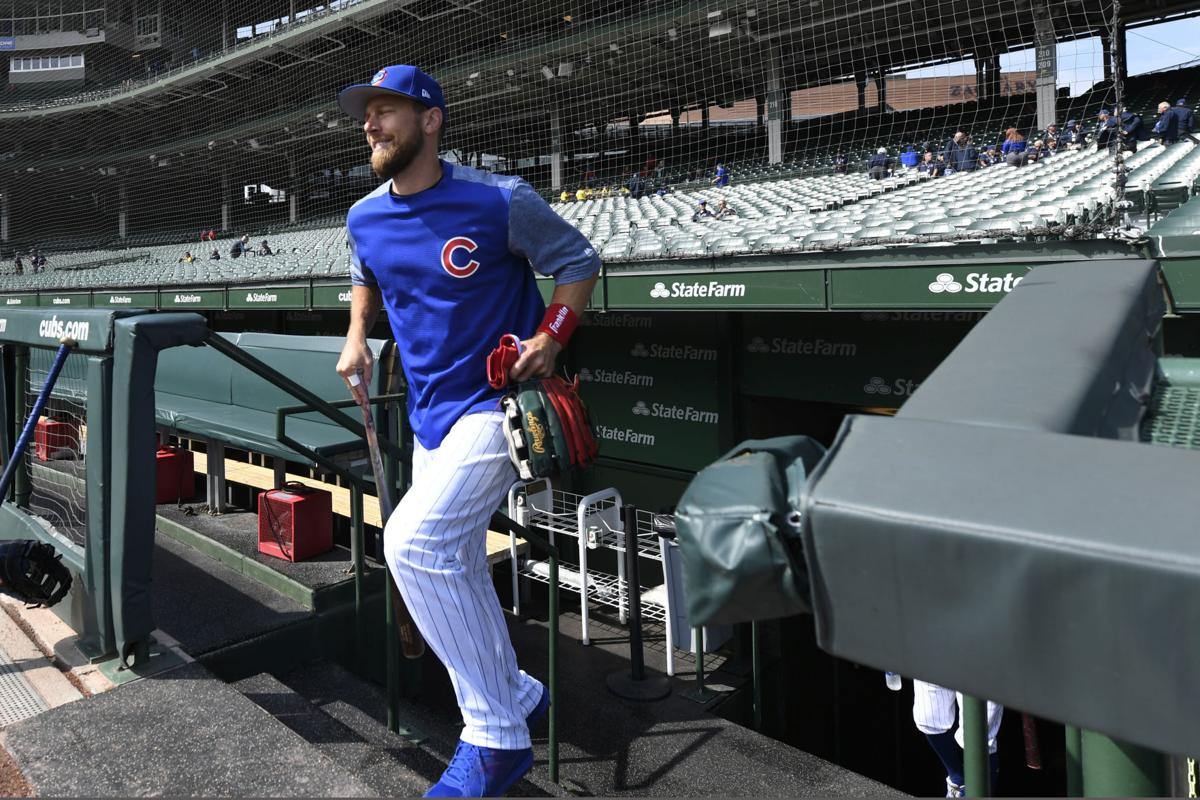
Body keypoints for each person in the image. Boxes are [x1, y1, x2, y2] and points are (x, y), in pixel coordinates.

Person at [334, 64, 599, 798]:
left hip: (499, 405)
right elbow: (367, 272)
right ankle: (515, 693)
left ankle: (495, 738)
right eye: (367, 113)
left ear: (431, 120)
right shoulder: (364, 215)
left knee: (413, 545)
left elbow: (579, 262)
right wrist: (357, 335)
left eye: (387, 110)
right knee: (451, 559)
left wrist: (551, 335)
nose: (371, 123)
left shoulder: (497, 199)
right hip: (429, 418)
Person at [913, 680, 1003, 797]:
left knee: (979, 735)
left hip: (983, 666)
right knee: (928, 718)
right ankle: (957, 780)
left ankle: (979, 794)